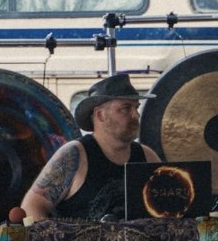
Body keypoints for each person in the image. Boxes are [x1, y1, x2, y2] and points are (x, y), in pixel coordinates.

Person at [21, 72, 160, 222]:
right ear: (100, 115)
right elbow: (31, 207)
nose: (136, 115)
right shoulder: (74, 155)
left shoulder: (147, 156)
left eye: (136, 108)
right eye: (126, 108)